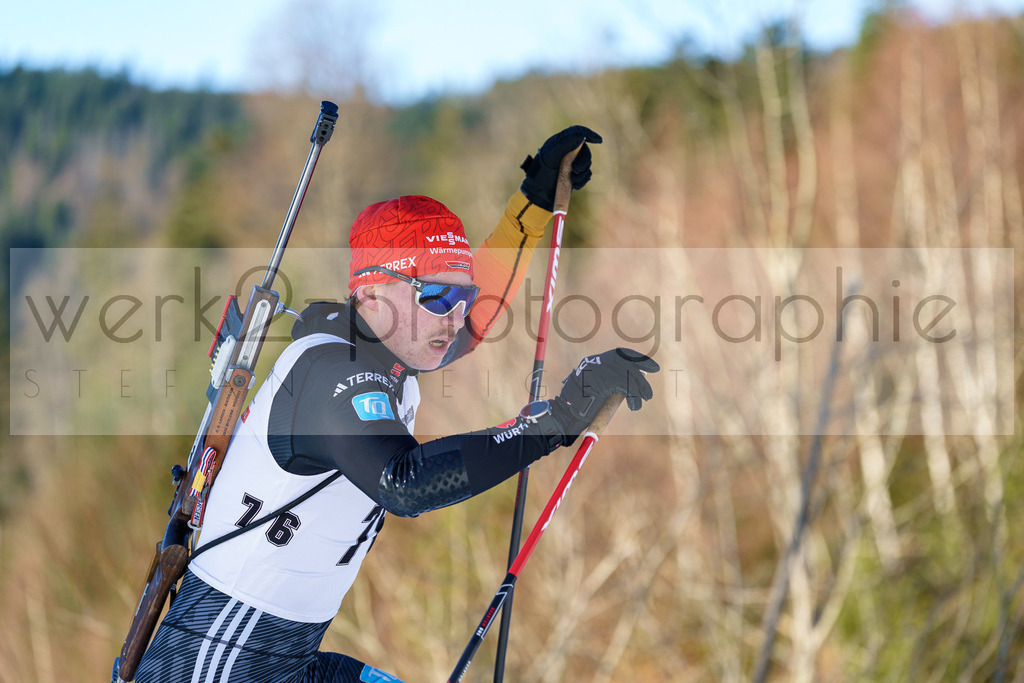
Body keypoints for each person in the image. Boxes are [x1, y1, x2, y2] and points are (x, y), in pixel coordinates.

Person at [134, 125, 659, 682]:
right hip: (216, 660)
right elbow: (403, 483)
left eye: (462, 294)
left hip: (287, 659)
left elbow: (476, 321)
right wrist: (554, 422)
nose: (455, 315)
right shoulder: (331, 371)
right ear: (370, 293)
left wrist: (529, 206)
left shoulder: (390, 358)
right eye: (436, 295)